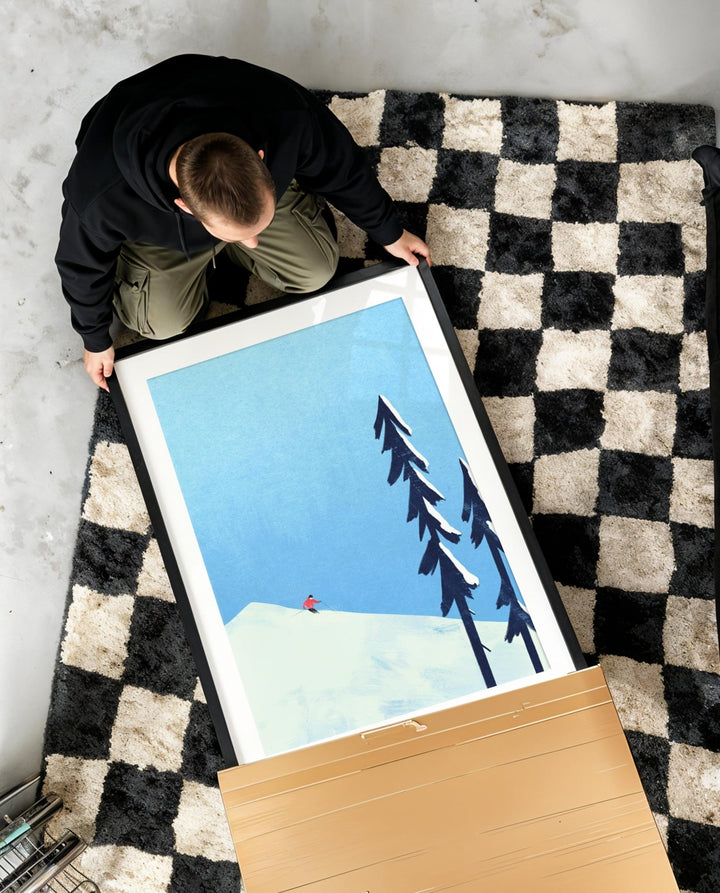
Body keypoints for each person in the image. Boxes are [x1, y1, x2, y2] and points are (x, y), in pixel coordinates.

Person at [55, 54, 432, 391]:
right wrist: (94, 338)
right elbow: (80, 265)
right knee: (161, 325)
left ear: (262, 158)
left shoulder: (284, 112)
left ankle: (248, 221)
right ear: (185, 207)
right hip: (158, 237)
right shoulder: (100, 195)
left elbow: (343, 167)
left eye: (256, 230)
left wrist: (389, 231)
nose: (253, 243)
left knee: (316, 271)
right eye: (240, 237)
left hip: (236, 177)